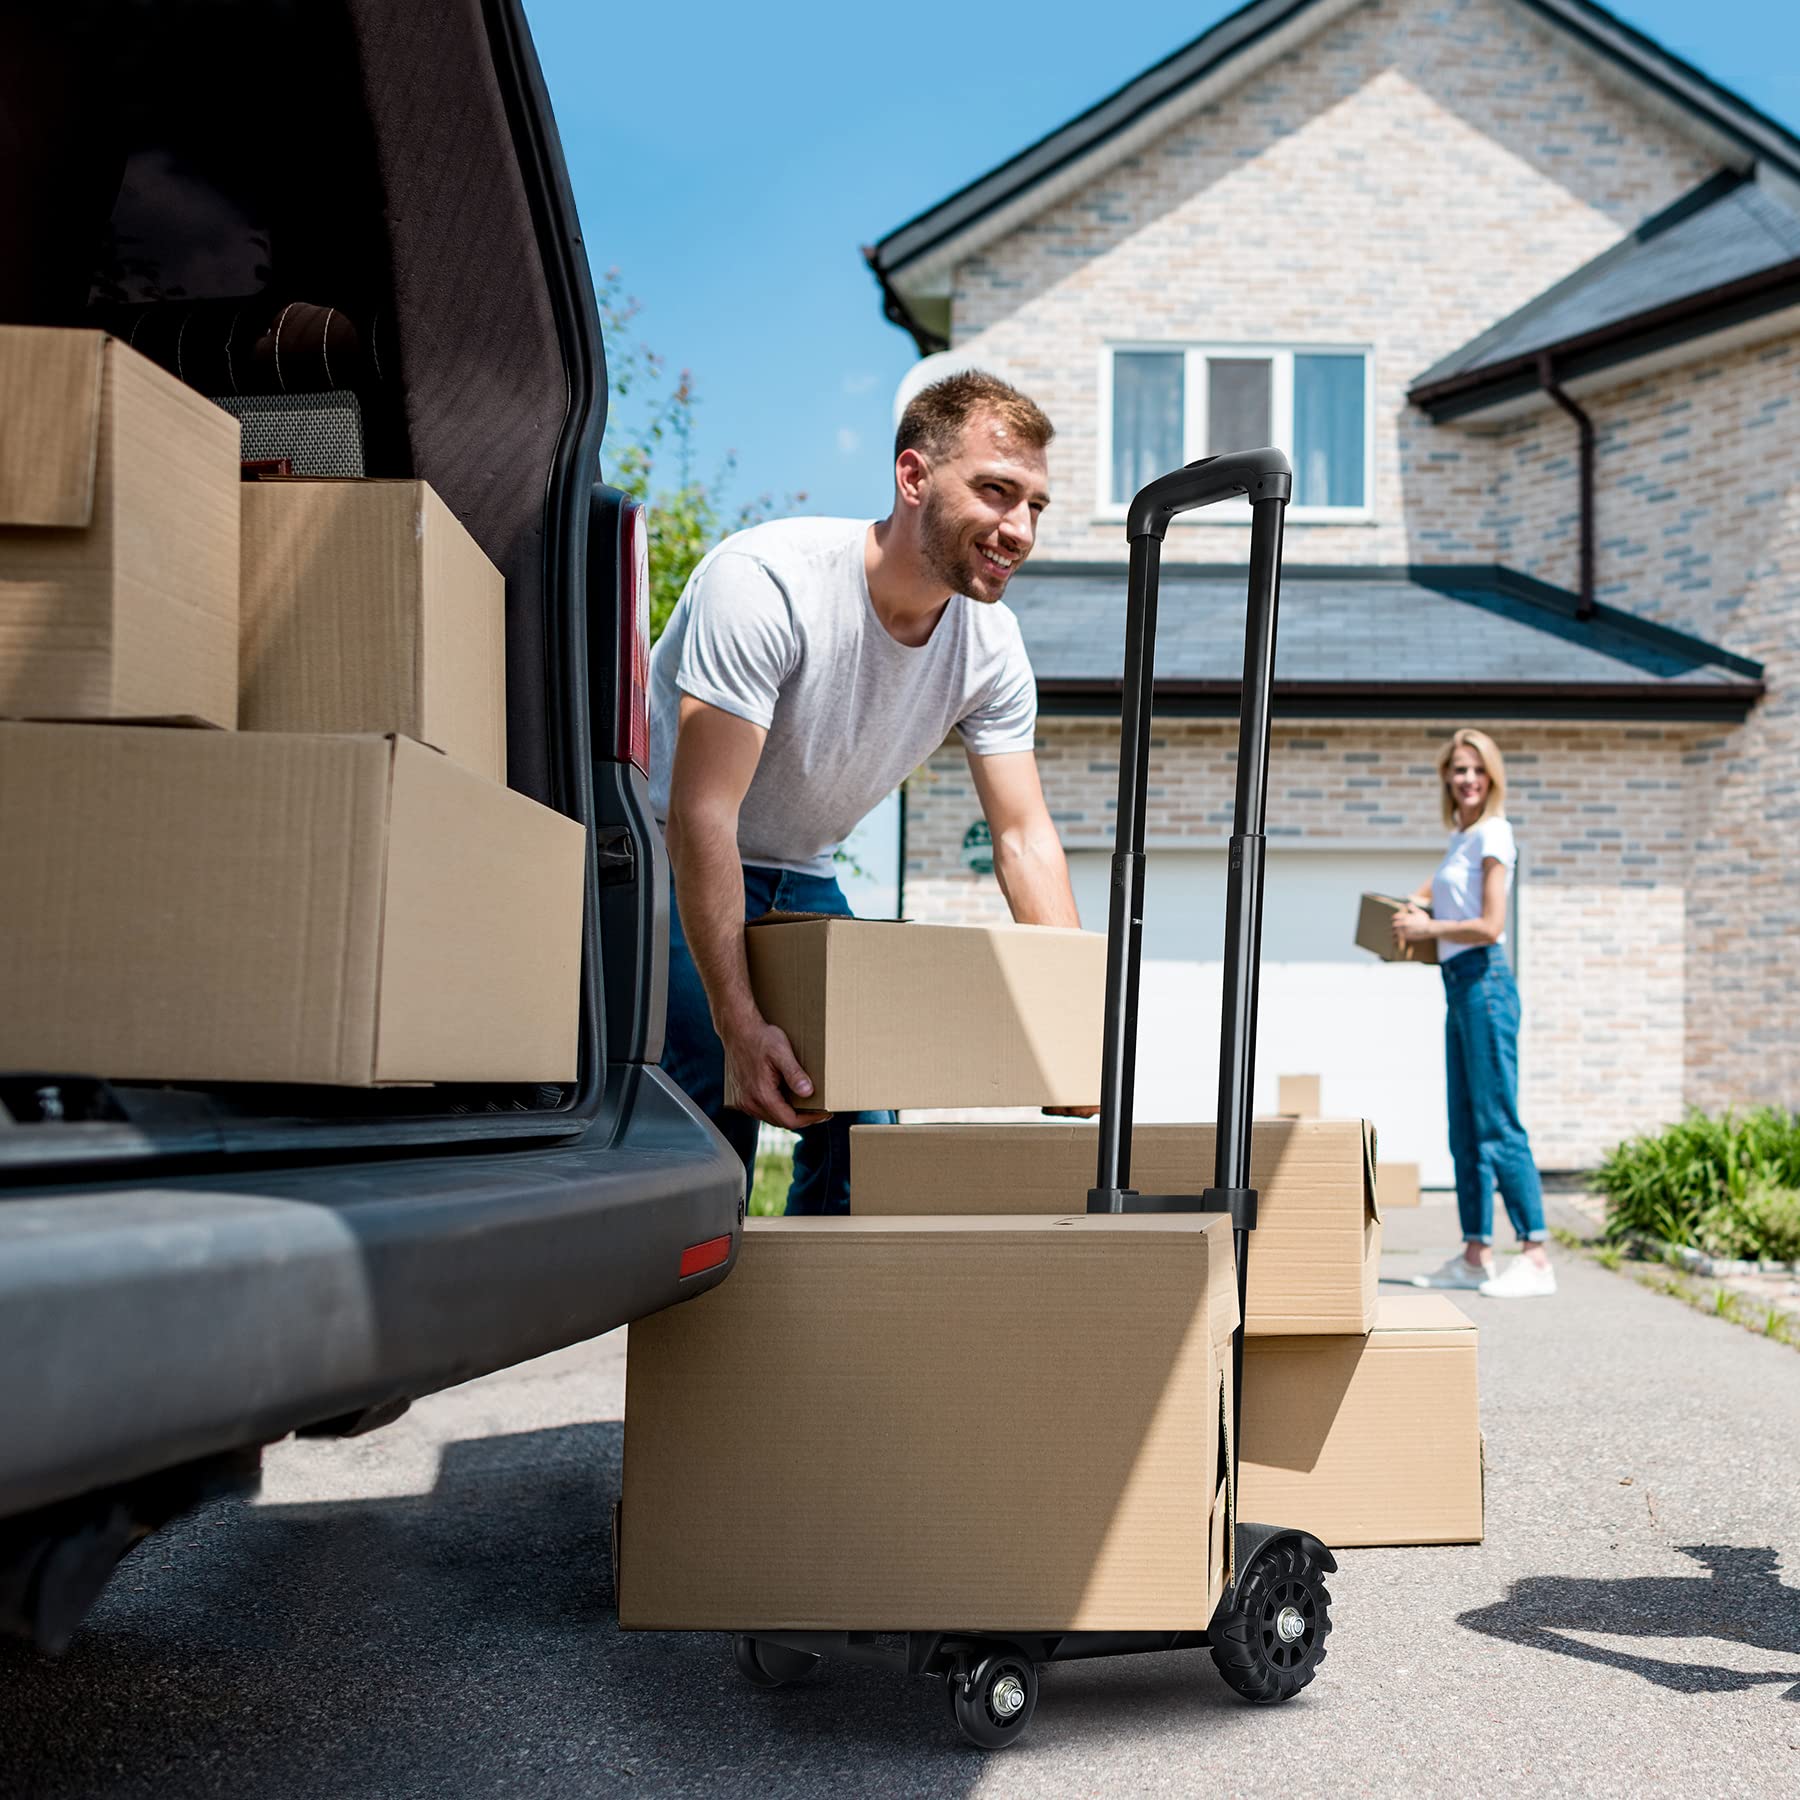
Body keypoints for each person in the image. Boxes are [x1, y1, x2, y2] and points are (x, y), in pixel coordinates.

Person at [649, 371, 1092, 1215]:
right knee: (715, 1099)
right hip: (670, 849)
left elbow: (1024, 838)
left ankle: (822, 1334)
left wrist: (1072, 1032)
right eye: (997, 492)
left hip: (801, 872)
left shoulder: (990, 647)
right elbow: (704, 812)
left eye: (1036, 504)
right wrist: (742, 1027)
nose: (1020, 529)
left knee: (868, 1124)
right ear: (913, 476)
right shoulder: (768, 583)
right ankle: (704, 1337)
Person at [1396, 727, 1554, 1298]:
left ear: (1491, 777)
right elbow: (1432, 890)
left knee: (1497, 1124)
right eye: (1457, 769)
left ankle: (1536, 1255)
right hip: (1457, 986)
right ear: (1447, 777)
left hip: (1487, 982)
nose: (1466, 779)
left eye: (1476, 769)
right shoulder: (1461, 839)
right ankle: (1474, 1254)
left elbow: (1490, 925)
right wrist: (1412, 906)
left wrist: (1427, 925)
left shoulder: (1495, 834)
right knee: (1463, 1127)